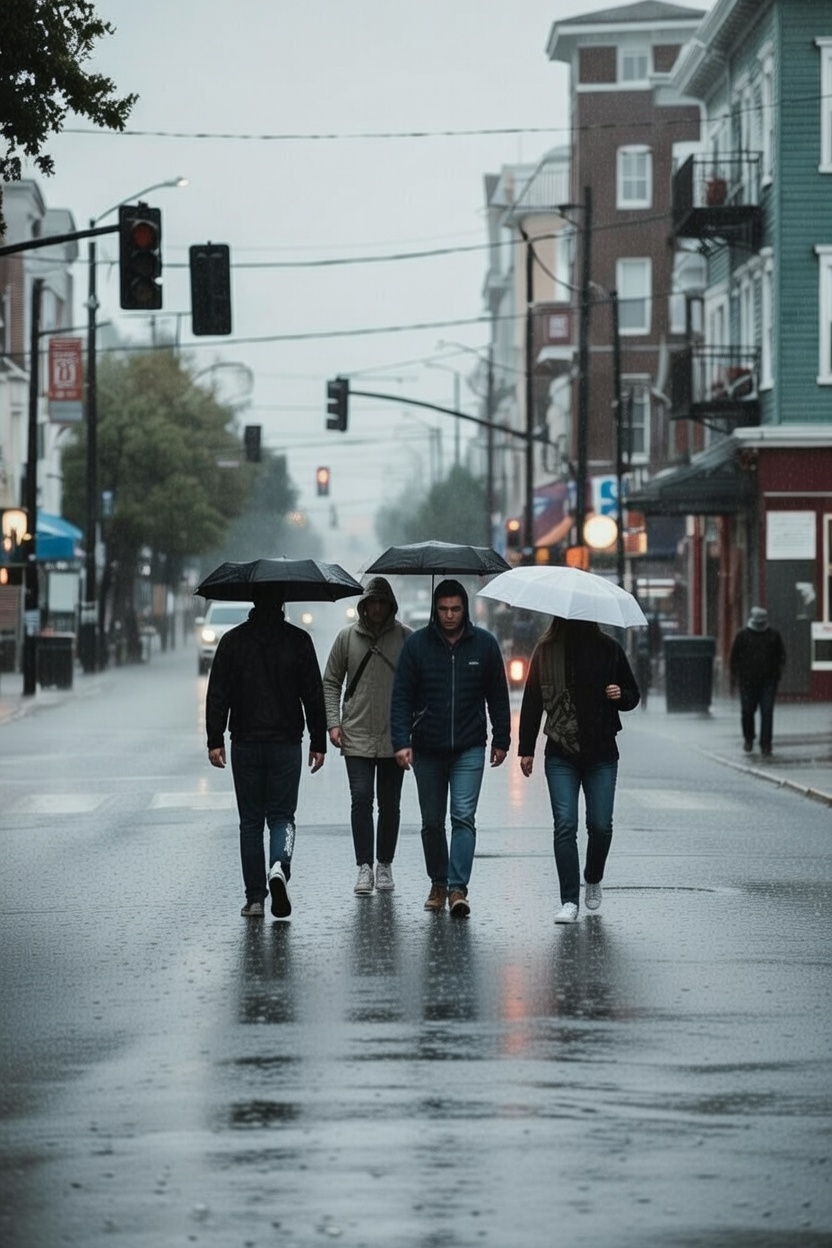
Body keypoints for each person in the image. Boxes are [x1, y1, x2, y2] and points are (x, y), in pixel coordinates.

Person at [390, 578, 510, 917]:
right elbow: (401, 698)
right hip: (426, 746)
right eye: (443, 609)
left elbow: (498, 696)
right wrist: (401, 741)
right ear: (434, 610)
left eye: (455, 609)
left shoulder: (484, 645)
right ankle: (438, 882)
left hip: (469, 746)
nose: (449, 615)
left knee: (463, 817)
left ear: (465, 609)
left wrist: (502, 738)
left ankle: (458, 888)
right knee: (431, 821)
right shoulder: (416, 646)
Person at [205, 586, 327, 919]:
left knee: (250, 823)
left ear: (254, 604)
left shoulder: (232, 642)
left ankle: (255, 898)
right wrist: (319, 741)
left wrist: (214, 738)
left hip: (245, 741)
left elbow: (218, 693)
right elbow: (313, 695)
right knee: (282, 817)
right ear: (283, 606)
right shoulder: (299, 641)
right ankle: (279, 866)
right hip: (286, 742)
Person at [518, 617, 640, 924]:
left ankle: (593, 876)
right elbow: (532, 700)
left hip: (601, 752)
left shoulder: (609, 649)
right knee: (565, 825)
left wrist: (619, 695)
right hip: (561, 752)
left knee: (600, 826)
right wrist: (526, 749)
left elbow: (632, 694)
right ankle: (569, 900)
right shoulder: (546, 651)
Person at [323, 576, 411, 895]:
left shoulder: (406, 638)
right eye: (371, 602)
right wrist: (334, 722)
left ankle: (384, 864)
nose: (376, 608)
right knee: (361, 799)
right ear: (363, 606)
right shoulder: (347, 638)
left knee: (390, 804)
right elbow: (331, 681)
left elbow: (422, 684)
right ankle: (364, 865)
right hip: (356, 734)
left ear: (390, 606)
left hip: (394, 736)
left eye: (381, 603)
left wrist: (412, 725)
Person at [729, 606, 786, 757]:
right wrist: (735, 677)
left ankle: (766, 744)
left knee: (767, 713)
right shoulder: (743, 635)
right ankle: (749, 738)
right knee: (747, 712)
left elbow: (781, 656)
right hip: (747, 682)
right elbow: (734, 658)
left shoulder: (774, 635)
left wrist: (776, 674)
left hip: (768, 681)